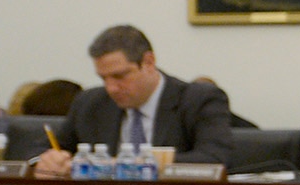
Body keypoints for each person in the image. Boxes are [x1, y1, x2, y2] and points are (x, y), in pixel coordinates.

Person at [35, 26, 235, 176]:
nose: (111, 88)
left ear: (148, 62)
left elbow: (215, 159)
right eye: (104, 78)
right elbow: (35, 152)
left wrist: (125, 164)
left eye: (120, 76)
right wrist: (49, 161)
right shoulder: (90, 102)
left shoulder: (198, 99)